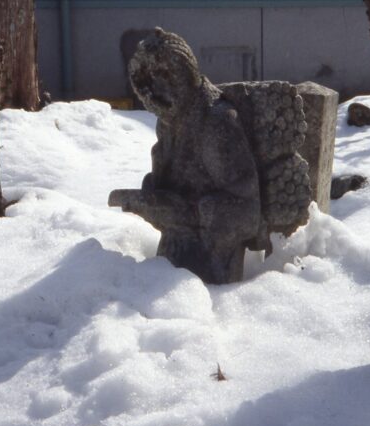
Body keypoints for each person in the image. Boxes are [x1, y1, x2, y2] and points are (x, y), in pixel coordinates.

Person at [108, 28, 261, 284]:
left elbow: (248, 212)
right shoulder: (169, 122)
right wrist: (152, 197)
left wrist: (186, 211)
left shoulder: (216, 124)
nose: (154, 94)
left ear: (185, 75)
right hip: (170, 263)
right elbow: (171, 186)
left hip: (213, 269)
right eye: (145, 85)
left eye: (164, 78)